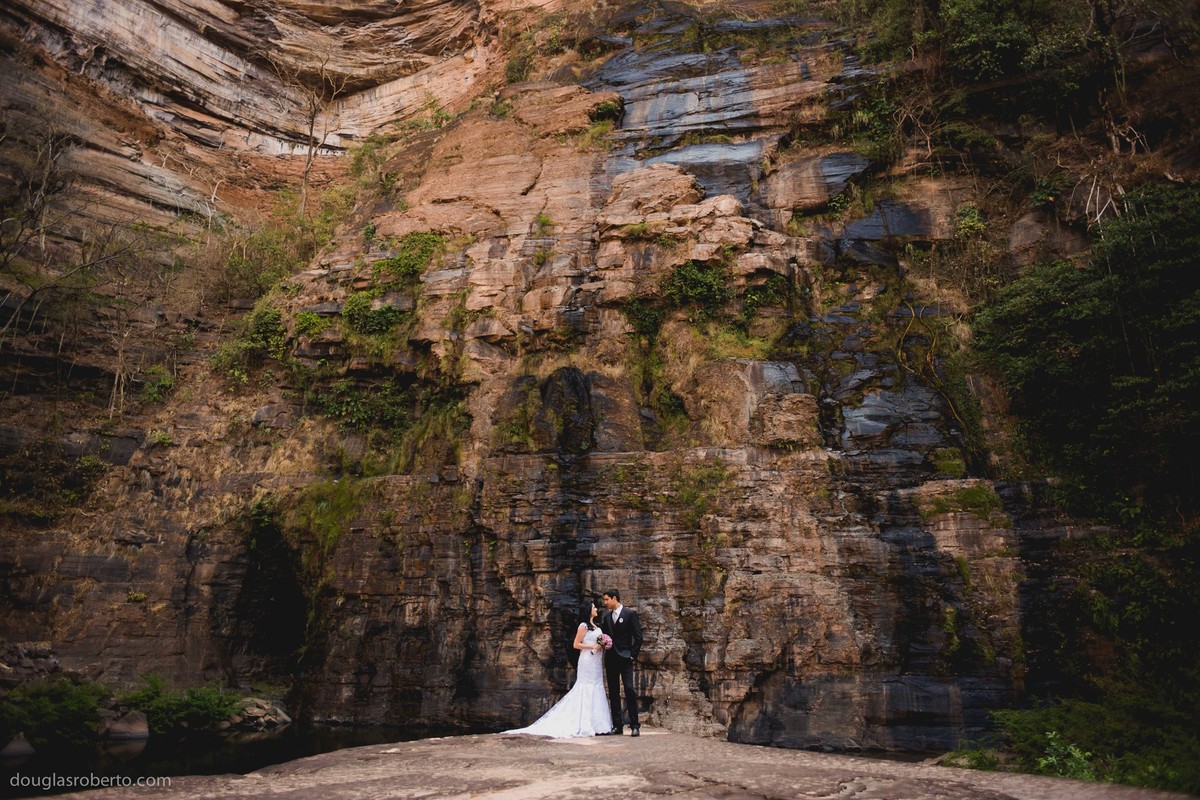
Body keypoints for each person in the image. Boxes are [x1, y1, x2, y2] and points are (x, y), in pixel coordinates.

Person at [502, 601, 613, 738]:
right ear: (588, 610)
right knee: (586, 687)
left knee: (597, 686)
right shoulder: (583, 626)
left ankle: (599, 725)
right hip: (587, 661)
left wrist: (602, 644)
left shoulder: (596, 626)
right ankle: (585, 724)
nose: (596, 608)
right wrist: (592, 647)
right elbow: (576, 644)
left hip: (596, 662)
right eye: (593, 607)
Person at [599, 589, 643, 736]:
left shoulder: (630, 614)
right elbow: (604, 636)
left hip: (625, 659)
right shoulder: (606, 617)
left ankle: (635, 725)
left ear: (614, 598)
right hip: (611, 659)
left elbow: (638, 637)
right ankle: (617, 726)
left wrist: (632, 655)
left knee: (629, 689)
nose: (605, 602)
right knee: (613, 692)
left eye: (607, 599)